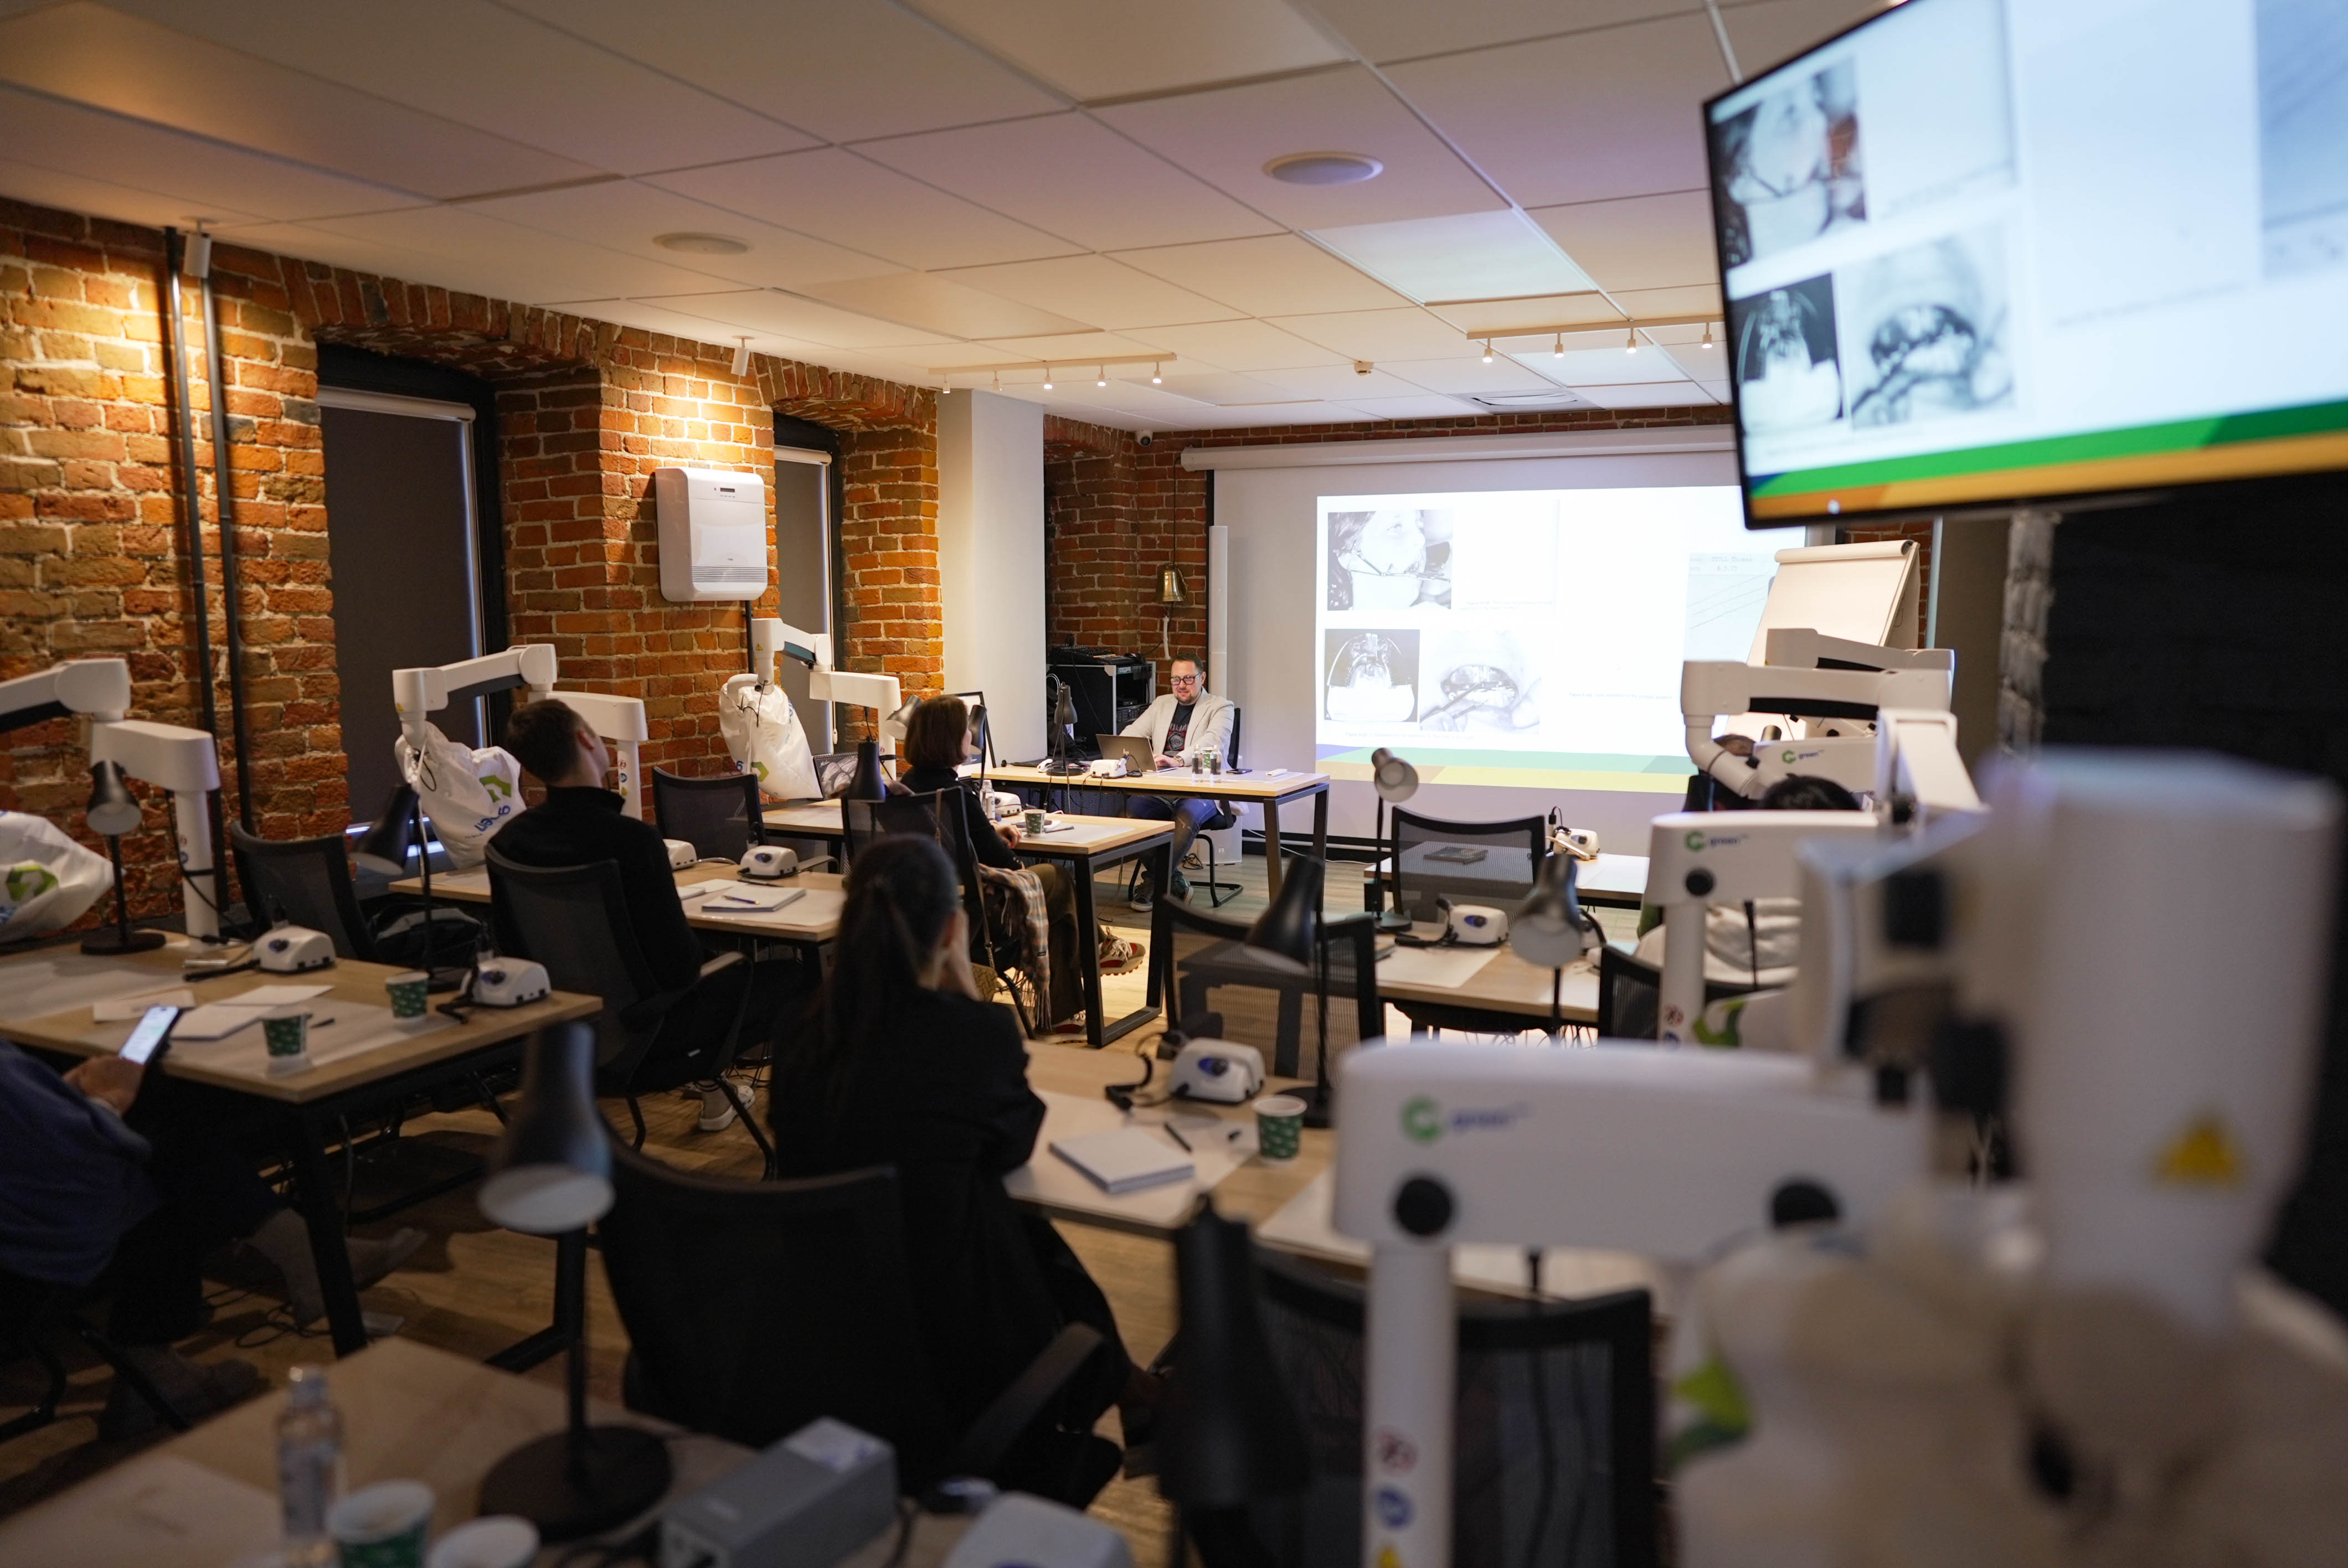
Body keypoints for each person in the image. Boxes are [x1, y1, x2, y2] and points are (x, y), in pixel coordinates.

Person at [768, 837, 1155, 1496]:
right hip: (958, 1357)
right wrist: (965, 999)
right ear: (953, 930)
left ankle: (1132, 1388)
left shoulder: (799, 1033)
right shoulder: (971, 1036)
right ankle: (1132, 1390)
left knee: (997, 1212)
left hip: (827, 1335)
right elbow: (1016, 1142)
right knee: (1013, 1220)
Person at [0, 1041, 419, 1435]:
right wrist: (105, 1100)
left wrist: (52, 1098)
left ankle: (301, 1257)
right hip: (21, 1274)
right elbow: (82, 1161)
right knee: (155, 1155)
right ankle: (158, 1366)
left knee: (157, 1127)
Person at [493, 698, 789, 1131]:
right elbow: (680, 967)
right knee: (794, 979)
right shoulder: (633, 841)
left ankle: (719, 1093)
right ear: (586, 740)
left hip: (562, 1037)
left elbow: (513, 953)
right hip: (649, 1033)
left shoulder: (507, 843)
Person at [899, 697, 1141, 1034]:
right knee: (1056, 879)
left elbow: (945, 841)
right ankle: (1097, 948)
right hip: (978, 921)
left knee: (1060, 915)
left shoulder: (905, 791)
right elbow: (1007, 865)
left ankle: (1065, 1016)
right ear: (950, 739)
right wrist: (996, 842)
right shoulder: (956, 796)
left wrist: (987, 831)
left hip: (926, 916)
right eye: (965, 730)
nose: (970, 735)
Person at [1119, 658, 1235, 909]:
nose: (1181, 685)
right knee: (1128, 815)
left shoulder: (1221, 707)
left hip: (1203, 788)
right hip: (1162, 787)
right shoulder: (1161, 704)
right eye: (1175, 679)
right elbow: (1131, 733)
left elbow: (1213, 741)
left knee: (1186, 815)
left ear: (1202, 678)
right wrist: (1127, 750)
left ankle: (1155, 883)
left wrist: (1178, 759)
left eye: (1188, 679)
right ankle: (1173, 881)